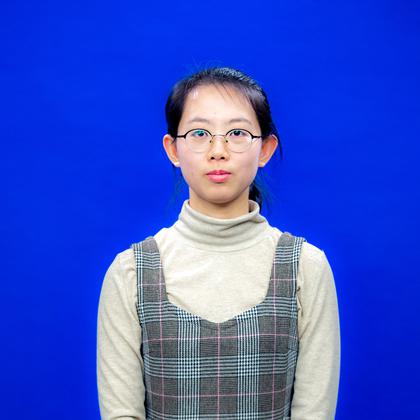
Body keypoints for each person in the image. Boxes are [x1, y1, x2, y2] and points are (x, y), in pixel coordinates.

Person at [96, 67, 341, 419]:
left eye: (237, 133)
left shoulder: (306, 268)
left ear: (265, 149)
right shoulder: (129, 273)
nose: (218, 151)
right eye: (199, 133)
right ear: (173, 149)